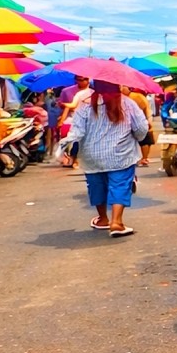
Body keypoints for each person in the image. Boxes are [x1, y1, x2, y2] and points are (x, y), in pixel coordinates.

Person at [60, 80, 148, 237]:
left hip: (92, 155)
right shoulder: (128, 103)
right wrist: (137, 137)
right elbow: (141, 129)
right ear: (117, 85)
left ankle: (102, 219)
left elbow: (77, 132)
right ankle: (117, 222)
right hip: (121, 154)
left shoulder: (85, 105)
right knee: (120, 185)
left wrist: (64, 145)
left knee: (96, 185)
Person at [121, 86, 155, 166]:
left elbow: (143, 109)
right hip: (142, 119)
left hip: (140, 119)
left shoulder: (133, 97)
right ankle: (144, 158)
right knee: (145, 140)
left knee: (145, 140)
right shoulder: (133, 97)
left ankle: (144, 158)